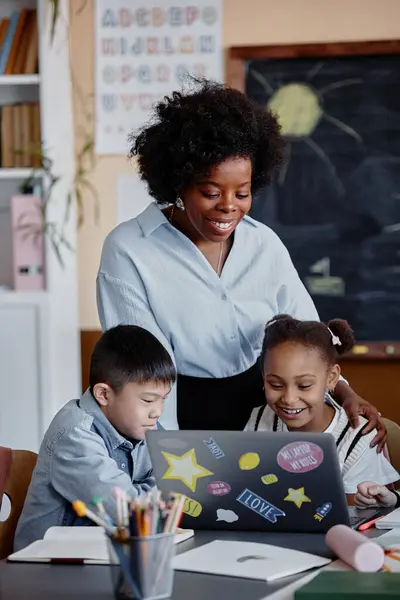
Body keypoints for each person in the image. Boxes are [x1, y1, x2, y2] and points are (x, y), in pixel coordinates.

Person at [97, 78, 385, 445]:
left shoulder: (263, 243)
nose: (229, 206)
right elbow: (143, 370)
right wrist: (164, 454)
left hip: (266, 412)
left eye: (243, 193)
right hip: (179, 412)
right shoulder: (129, 250)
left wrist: (342, 390)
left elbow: (308, 335)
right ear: (177, 183)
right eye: (210, 192)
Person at [15, 325, 175, 550]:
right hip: (48, 564)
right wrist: (162, 492)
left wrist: (166, 491)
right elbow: (131, 513)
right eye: (148, 400)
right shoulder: (75, 435)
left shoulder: (145, 425)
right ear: (104, 394)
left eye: (164, 399)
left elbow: (177, 489)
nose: (157, 411)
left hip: (105, 554)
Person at [245, 315, 398, 502]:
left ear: (332, 377)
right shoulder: (259, 420)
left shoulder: (358, 440)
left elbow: (355, 516)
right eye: (276, 385)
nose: (289, 399)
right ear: (263, 377)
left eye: (304, 386)